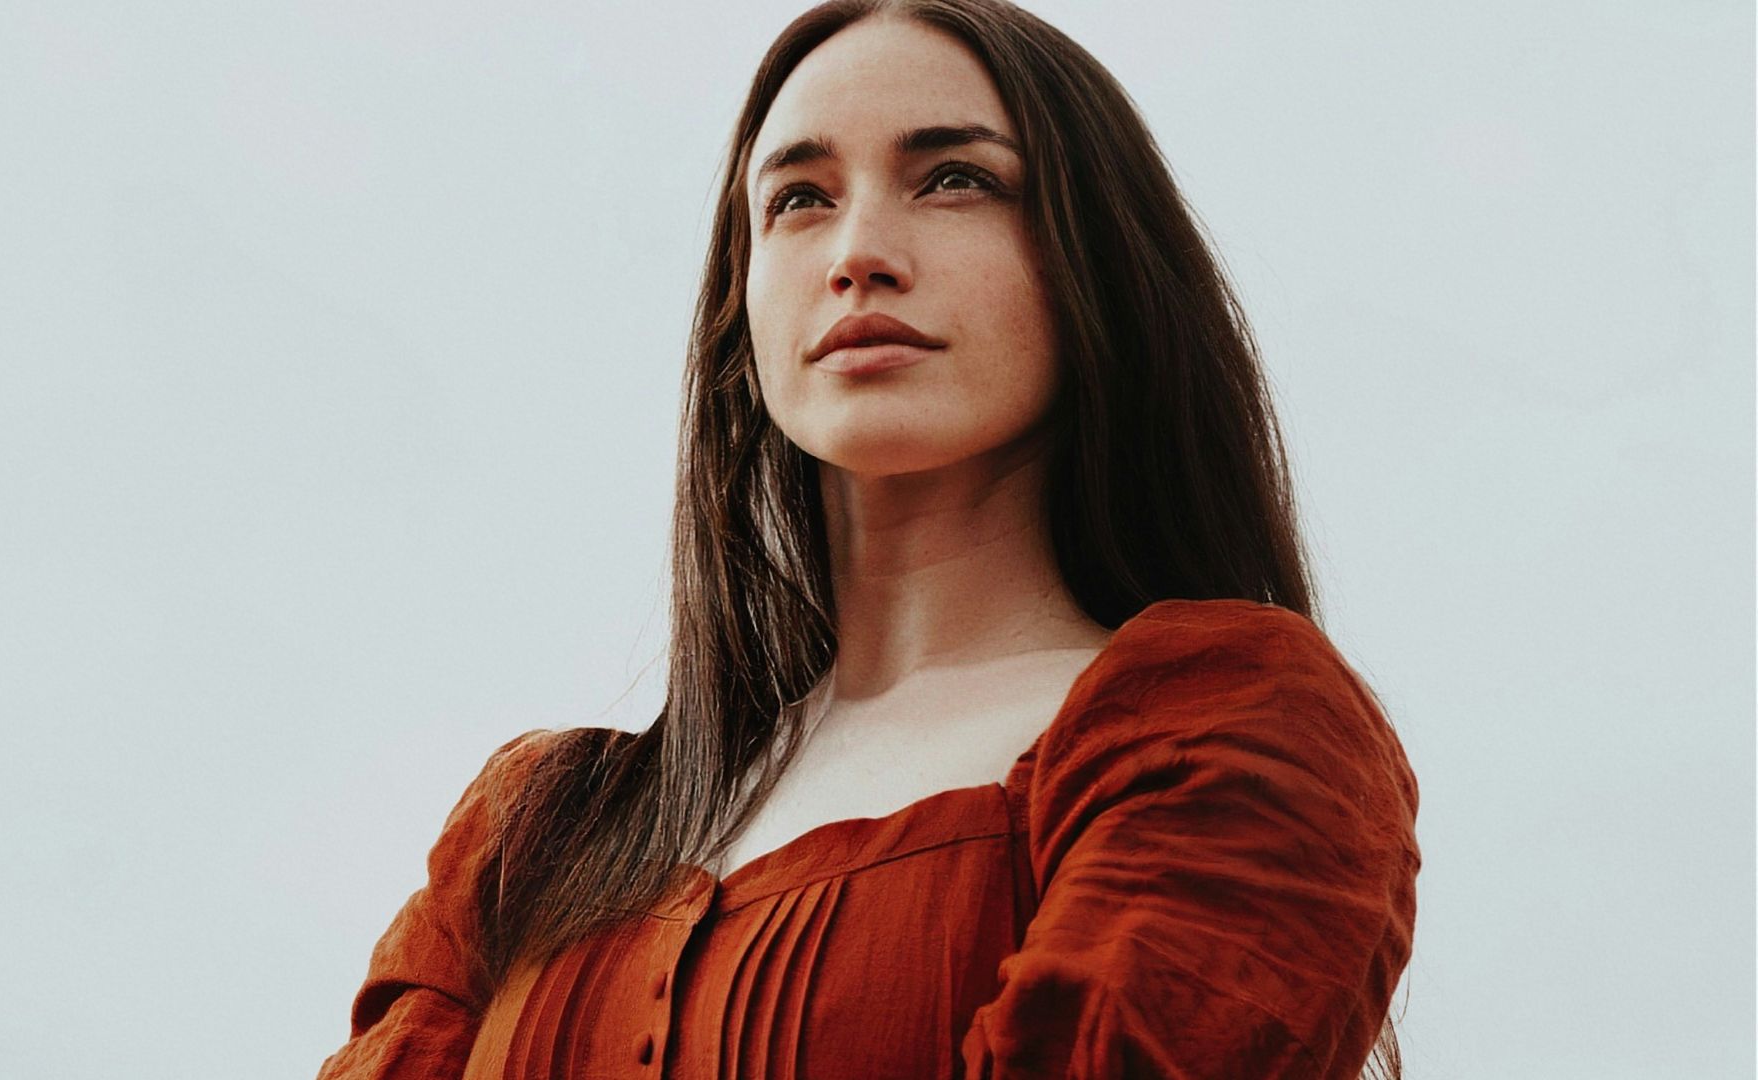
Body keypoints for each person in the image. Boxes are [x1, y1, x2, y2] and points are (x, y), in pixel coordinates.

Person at [315, 1, 1421, 1077]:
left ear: (1098, 262)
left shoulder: (1225, 725)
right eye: (799, 198)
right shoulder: (529, 838)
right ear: (742, 311)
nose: (859, 254)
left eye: (955, 180)